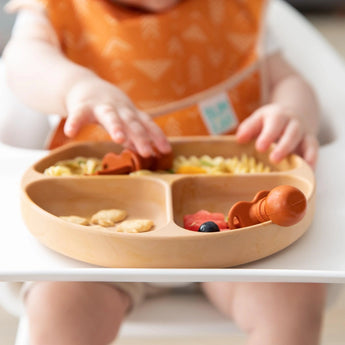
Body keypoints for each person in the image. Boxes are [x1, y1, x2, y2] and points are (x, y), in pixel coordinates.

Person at [3, 0, 326, 344]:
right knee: (58, 309)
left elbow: (287, 78)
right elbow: (22, 63)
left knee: (293, 301)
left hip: (236, 234)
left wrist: (292, 111)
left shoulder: (233, 8)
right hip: (101, 244)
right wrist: (75, 87)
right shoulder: (58, 8)